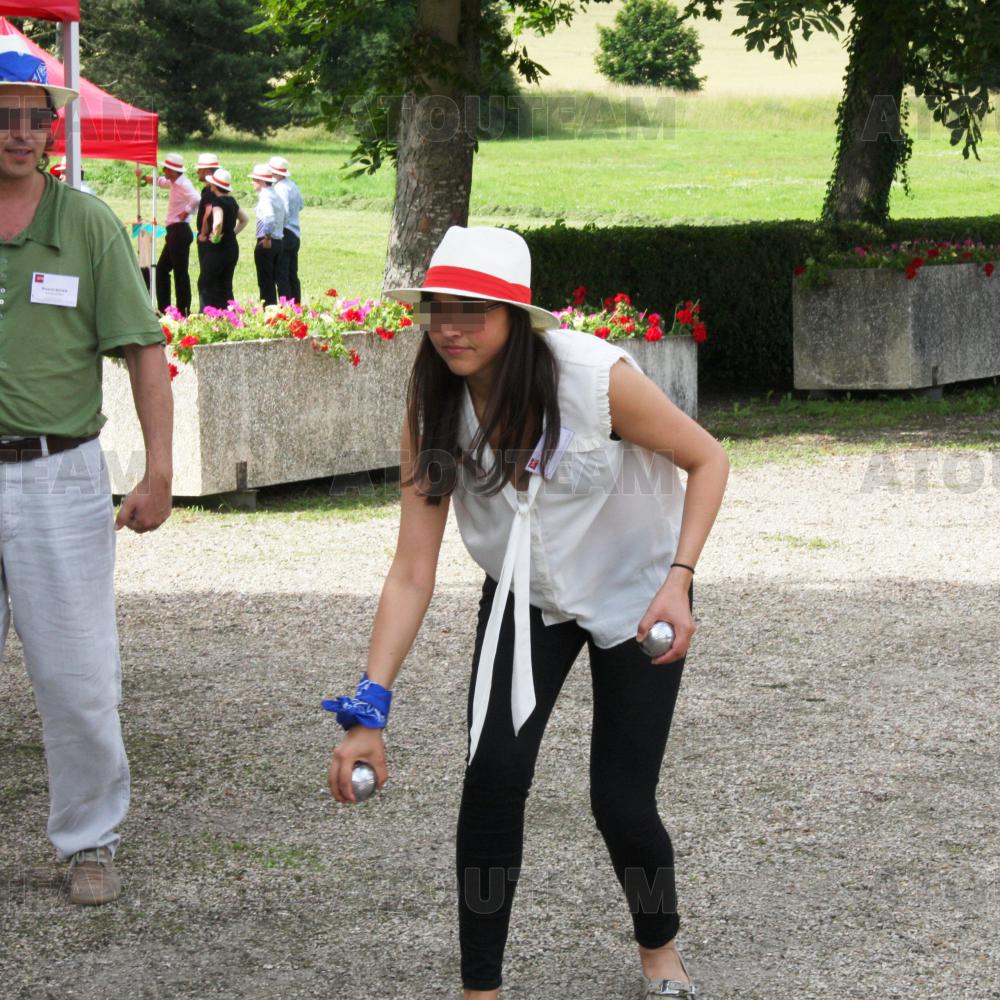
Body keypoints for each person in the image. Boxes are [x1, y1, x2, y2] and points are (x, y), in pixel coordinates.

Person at [324, 227, 729, 998]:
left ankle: (660, 949)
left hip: (636, 591)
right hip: (526, 594)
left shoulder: (590, 379)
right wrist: (367, 707)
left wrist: (679, 579)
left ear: (516, 317)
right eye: (440, 310)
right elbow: (413, 569)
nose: (452, 328)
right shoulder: (435, 404)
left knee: (619, 799)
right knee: (493, 779)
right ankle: (483, 989)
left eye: (474, 311)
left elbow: (708, 457)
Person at [0, 41, 173, 906]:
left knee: (77, 678)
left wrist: (159, 470)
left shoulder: (91, 223)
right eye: (5, 114)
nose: (22, 131)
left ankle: (89, 844)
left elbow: (145, 350)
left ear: (54, 126)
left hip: (58, 474)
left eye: (36, 115)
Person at [135, 152, 199, 315]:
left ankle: (182, 309)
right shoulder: (174, 182)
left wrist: (186, 212)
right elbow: (159, 182)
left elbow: (196, 198)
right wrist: (143, 178)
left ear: (174, 170)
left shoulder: (184, 184)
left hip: (179, 229)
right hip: (175, 231)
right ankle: (167, 308)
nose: (164, 170)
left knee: (178, 272)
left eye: (167, 168)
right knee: (163, 270)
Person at [200, 168, 248, 309]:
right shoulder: (231, 201)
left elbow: (218, 222)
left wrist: (215, 237)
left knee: (206, 283)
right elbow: (245, 219)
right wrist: (231, 233)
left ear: (214, 186)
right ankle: (229, 315)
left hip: (218, 249)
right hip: (232, 247)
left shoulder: (218, 202)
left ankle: (208, 314)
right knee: (225, 284)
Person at [249, 163, 285, 306]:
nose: (252, 183)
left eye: (255, 180)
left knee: (265, 282)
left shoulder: (265, 196)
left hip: (267, 241)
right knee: (274, 278)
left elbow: (269, 217)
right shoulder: (276, 195)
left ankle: (269, 311)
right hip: (279, 240)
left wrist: (267, 236)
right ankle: (275, 309)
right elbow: (284, 216)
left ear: (262, 181)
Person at [268, 155, 303, 303]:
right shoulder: (292, 185)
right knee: (292, 273)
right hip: (295, 233)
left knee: (281, 274)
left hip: (285, 232)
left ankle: (286, 305)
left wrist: (278, 230)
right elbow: (301, 205)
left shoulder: (280, 188)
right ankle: (296, 304)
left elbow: (284, 212)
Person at [193, 152, 220, 311]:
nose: (198, 173)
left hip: (207, 240)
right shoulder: (211, 190)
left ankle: (206, 310)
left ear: (208, 171)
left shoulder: (209, 191)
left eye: (200, 170)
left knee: (206, 279)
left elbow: (208, 212)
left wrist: (203, 233)